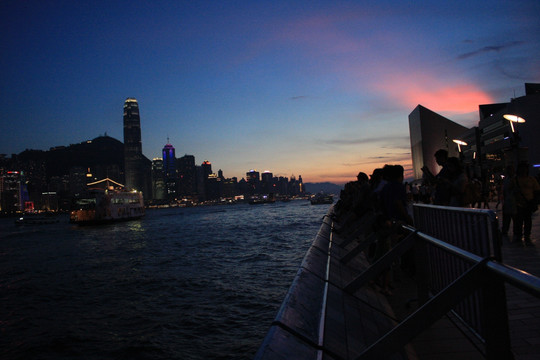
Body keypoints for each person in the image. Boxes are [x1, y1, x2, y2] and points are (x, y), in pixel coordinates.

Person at [513, 162, 540, 246]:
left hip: (528, 202)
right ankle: (519, 234)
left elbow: (537, 191)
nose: (524, 170)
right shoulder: (515, 180)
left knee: (527, 220)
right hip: (518, 203)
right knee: (519, 220)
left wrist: (535, 201)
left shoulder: (532, 179)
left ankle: (526, 234)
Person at [501, 165, 516, 238]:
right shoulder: (507, 179)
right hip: (508, 201)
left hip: (513, 202)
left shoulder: (514, 179)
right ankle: (505, 230)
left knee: (513, 219)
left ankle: (514, 232)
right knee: (507, 218)